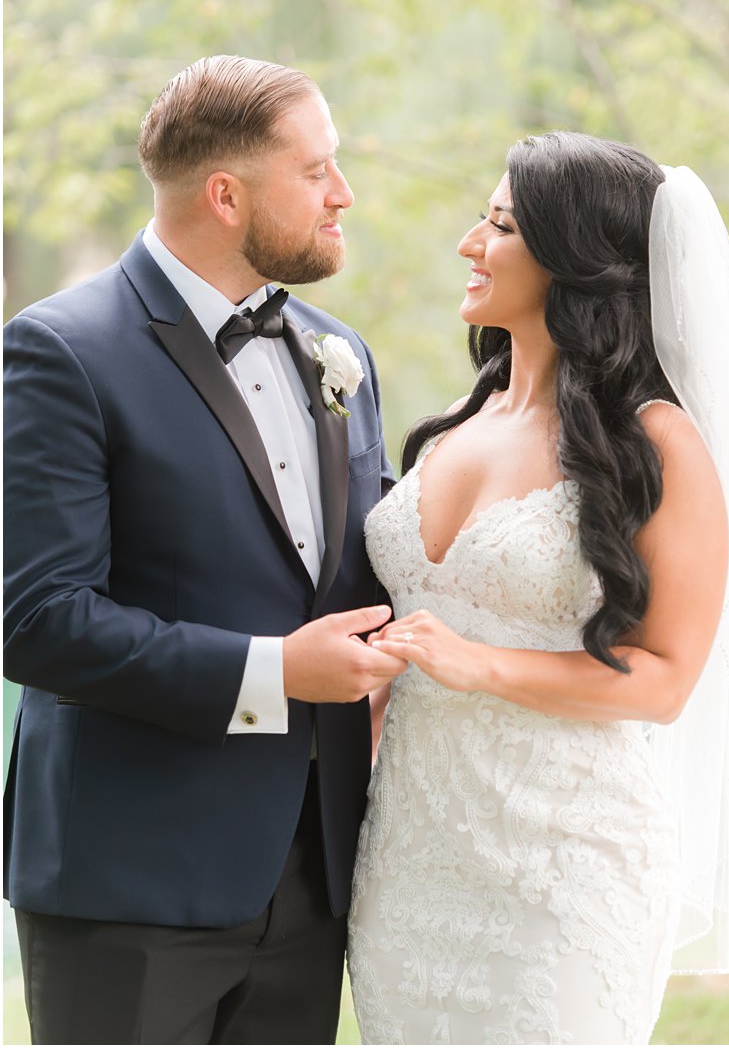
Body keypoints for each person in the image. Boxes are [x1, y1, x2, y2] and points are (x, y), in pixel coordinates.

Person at [3, 55, 403, 1043]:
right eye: (316, 171)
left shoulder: (336, 350)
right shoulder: (59, 351)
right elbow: (37, 621)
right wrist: (275, 671)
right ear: (227, 194)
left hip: (310, 875)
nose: (342, 193)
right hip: (129, 885)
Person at [346, 132, 729, 1044]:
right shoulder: (458, 421)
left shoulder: (654, 445)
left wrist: (476, 665)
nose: (467, 242)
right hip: (411, 859)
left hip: (565, 864)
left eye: (497, 224)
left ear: (575, 261)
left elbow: (663, 682)